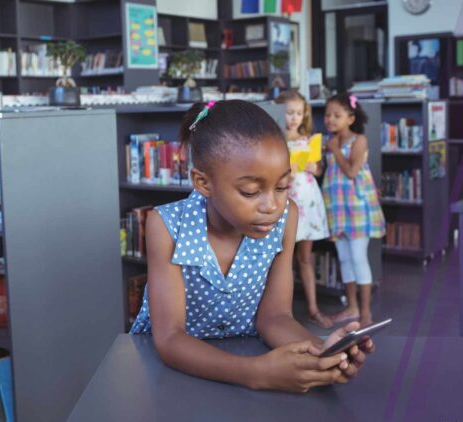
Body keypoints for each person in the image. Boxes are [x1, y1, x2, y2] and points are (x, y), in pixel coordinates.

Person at [130, 100, 374, 392]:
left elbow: (275, 317)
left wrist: (322, 354)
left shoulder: (287, 217)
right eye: (250, 192)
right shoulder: (165, 225)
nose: (271, 205)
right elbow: (170, 338)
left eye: (282, 186)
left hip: (246, 358)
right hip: (169, 375)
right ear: (203, 182)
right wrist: (256, 372)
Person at [322, 93, 386, 327]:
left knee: (359, 258)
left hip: (358, 210)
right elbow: (324, 172)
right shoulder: (327, 142)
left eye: (337, 115)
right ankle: (352, 308)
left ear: (350, 118)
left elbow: (351, 171)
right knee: (345, 259)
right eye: (328, 115)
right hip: (336, 209)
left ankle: (366, 311)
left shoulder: (358, 140)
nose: (330, 119)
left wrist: (335, 150)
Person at [275, 90, 333, 329]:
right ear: (280, 113)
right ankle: (281, 313)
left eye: (299, 113)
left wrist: (311, 165)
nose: (294, 118)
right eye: (289, 113)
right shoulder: (275, 139)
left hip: (307, 201)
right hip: (285, 201)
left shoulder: (308, 139)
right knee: (282, 259)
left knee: (305, 258)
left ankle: (312, 309)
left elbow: (318, 170)